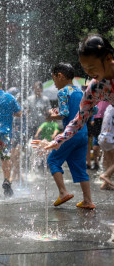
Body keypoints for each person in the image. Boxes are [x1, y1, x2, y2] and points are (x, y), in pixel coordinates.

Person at [35, 63, 95, 209]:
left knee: (52, 160)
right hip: (83, 135)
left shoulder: (63, 92)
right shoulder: (82, 92)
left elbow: (64, 113)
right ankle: (88, 201)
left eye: (54, 79)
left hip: (71, 134)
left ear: (60, 76)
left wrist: (50, 116)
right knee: (80, 167)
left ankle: (62, 192)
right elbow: (93, 109)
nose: (54, 83)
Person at [44, 34, 114, 151]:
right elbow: (80, 118)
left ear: (108, 58)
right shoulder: (95, 87)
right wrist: (59, 140)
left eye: (91, 67)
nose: (89, 73)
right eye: (85, 68)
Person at [88, 101, 110, 170]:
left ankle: (107, 165)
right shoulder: (98, 94)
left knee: (108, 146)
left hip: (107, 118)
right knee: (95, 147)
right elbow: (94, 106)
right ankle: (96, 163)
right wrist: (92, 118)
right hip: (97, 119)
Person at [98, 105, 114, 190]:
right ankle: (105, 175)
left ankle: (105, 184)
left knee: (110, 162)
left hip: (103, 138)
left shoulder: (109, 107)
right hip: (110, 138)